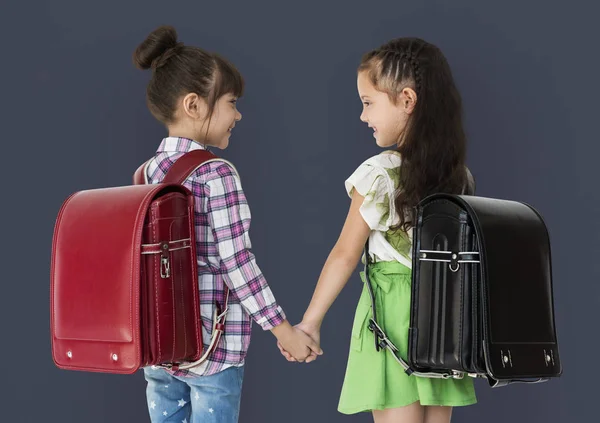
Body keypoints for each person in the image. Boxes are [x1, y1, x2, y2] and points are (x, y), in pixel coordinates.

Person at [278, 37, 477, 423]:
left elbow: (345, 254)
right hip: (443, 318)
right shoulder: (459, 177)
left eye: (368, 103)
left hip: (393, 317)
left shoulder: (381, 173)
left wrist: (311, 322)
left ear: (406, 100)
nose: (363, 116)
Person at [134, 25, 322, 423]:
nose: (237, 114)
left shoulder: (145, 174)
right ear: (194, 105)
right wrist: (283, 330)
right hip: (213, 349)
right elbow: (236, 262)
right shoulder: (215, 174)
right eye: (231, 102)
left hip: (156, 342)